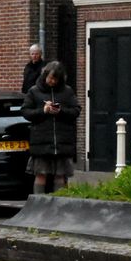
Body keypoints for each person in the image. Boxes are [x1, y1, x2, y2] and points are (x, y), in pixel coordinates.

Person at [21, 61, 80, 194]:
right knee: (41, 174)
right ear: (45, 75)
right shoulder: (34, 91)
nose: (52, 81)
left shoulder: (67, 92)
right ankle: (39, 204)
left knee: (60, 175)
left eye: (55, 79)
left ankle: (60, 203)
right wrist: (43, 111)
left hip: (62, 141)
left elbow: (76, 110)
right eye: (50, 78)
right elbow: (25, 112)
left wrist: (61, 111)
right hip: (41, 141)